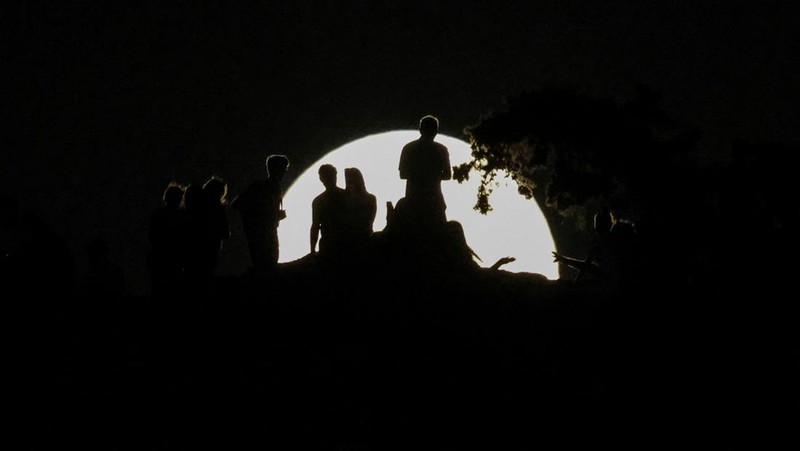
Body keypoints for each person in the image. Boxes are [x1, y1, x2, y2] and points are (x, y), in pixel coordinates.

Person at [232, 154, 289, 274]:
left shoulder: (274, 188)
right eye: (283, 168)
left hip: (269, 233)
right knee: (265, 267)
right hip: (261, 237)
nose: (285, 172)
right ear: (275, 169)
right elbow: (237, 204)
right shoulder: (260, 187)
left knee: (269, 265)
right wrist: (268, 216)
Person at [398, 115, 451, 225]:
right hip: (433, 200)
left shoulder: (409, 148)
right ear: (436, 131)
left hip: (414, 199)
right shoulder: (441, 149)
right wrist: (432, 176)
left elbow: (403, 174)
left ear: (420, 129)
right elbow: (447, 175)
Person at [310, 164, 347, 260]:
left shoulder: (318, 201)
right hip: (342, 243)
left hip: (330, 245)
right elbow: (315, 226)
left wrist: (312, 251)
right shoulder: (346, 195)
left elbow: (315, 226)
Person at [343, 167, 377, 254]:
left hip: (363, 238)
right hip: (350, 240)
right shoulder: (344, 199)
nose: (350, 184)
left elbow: (369, 220)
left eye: (352, 181)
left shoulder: (370, 198)